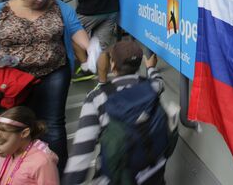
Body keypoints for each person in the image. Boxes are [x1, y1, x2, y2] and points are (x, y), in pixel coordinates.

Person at [0, 0, 91, 174]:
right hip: (13, 79)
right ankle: (12, 172)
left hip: (54, 71)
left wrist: (89, 47)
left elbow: (75, 29)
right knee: (12, 126)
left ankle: (56, 171)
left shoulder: (59, 7)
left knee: (54, 123)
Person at [63, 41, 166, 185]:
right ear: (137, 65)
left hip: (115, 177)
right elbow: (159, 80)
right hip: (152, 173)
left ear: (113, 65)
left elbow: (81, 155)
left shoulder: (96, 98)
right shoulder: (152, 87)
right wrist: (150, 68)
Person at [0, 106, 59, 185]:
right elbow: (6, 178)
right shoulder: (8, 151)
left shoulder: (43, 162)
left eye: (0, 142)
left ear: (24, 133)